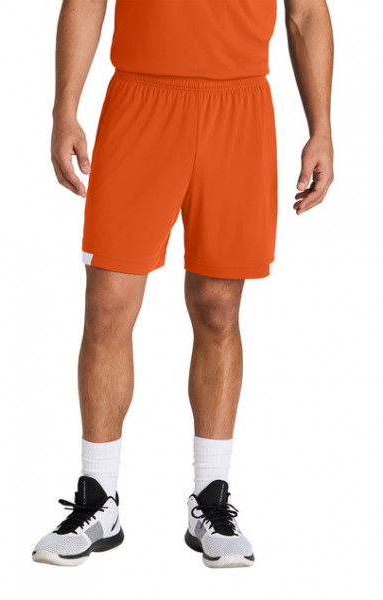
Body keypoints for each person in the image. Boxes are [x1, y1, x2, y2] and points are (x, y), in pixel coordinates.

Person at [33, 0, 334, 568]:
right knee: (108, 303)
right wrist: (64, 109)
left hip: (239, 104)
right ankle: (98, 500)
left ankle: (210, 500)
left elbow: (307, 14)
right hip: (140, 98)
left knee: (219, 307)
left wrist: (322, 128)